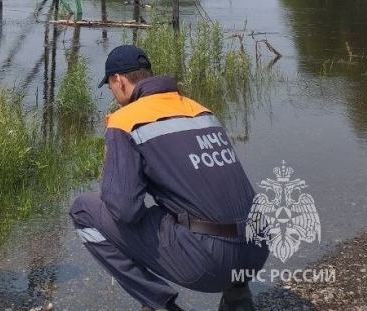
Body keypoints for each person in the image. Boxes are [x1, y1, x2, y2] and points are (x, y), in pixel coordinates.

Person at [69, 45, 269, 311]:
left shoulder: (125, 120)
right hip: (258, 249)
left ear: (118, 80)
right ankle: (238, 298)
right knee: (213, 202)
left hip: (211, 262)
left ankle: (159, 303)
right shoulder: (200, 111)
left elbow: (124, 210)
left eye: (109, 87)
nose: (113, 94)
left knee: (83, 210)